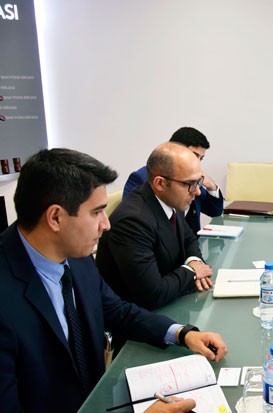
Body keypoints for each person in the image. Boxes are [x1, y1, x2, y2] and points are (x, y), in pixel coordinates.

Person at [0, 148, 227, 413]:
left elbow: (116, 310)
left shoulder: (74, 254)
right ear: (56, 217)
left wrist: (181, 333)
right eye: (97, 212)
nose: (106, 224)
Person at [97, 142, 214, 310]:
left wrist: (194, 261)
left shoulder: (172, 199)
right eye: (190, 184)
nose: (197, 191)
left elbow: (188, 239)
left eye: (198, 182)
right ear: (160, 183)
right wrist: (192, 272)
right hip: (137, 317)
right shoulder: (132, 222)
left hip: (171, 302)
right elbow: (153, 295)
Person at [123, 126, 223, 233]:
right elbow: (133, 221)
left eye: (201, 159)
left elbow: (215, 212)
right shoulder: (141, 178)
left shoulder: (192, 179)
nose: (197, 162)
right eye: (194, 155)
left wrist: (211, 185)